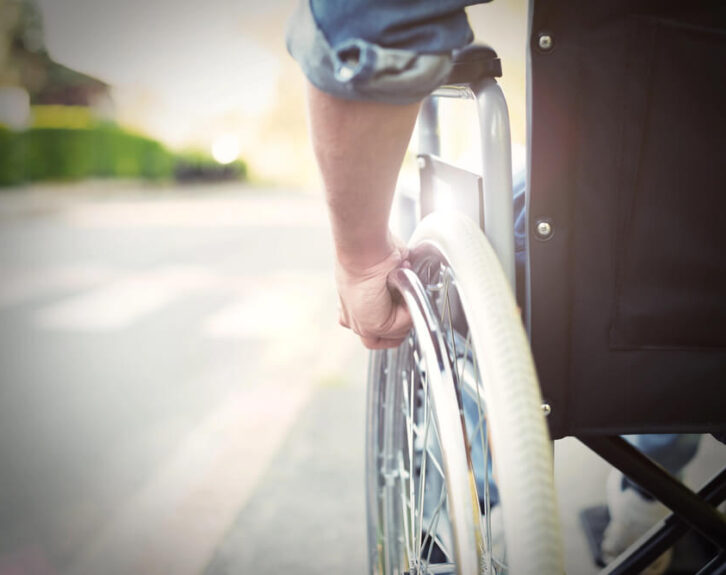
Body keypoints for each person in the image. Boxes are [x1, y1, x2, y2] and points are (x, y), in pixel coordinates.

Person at [286, 2, 701, 572]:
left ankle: (477, 513)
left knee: (481, 245)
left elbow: (374, 19)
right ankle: (650, 500)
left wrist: (361, 261)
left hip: (617, 279)